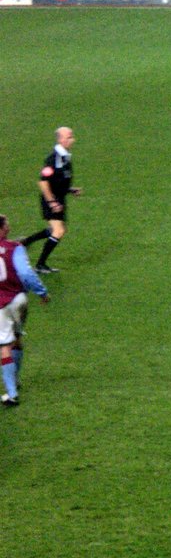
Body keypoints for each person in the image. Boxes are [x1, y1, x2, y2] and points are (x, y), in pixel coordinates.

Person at [0, 214, 49, 406]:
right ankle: (16, 379)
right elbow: (26, 273)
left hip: (1, 305)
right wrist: (42, 292)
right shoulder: (15, 248)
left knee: (4, 345)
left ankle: (11, 393)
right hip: (19, 299)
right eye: (7, 224)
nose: (9, 227)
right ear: (2, 228)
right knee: (17, 337)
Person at [20, 127, 81, 274]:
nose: (72, 139)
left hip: (59, 198)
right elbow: (43, 182)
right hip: (51, 200)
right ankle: (40, 264)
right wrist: (52, 202)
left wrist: (69, 189)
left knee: (58, 230)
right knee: (58, 231)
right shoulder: (54, 158)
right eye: (69, 137)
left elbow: (58, 179)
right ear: (60, 139)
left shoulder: (65, 156)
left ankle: (24, 243)